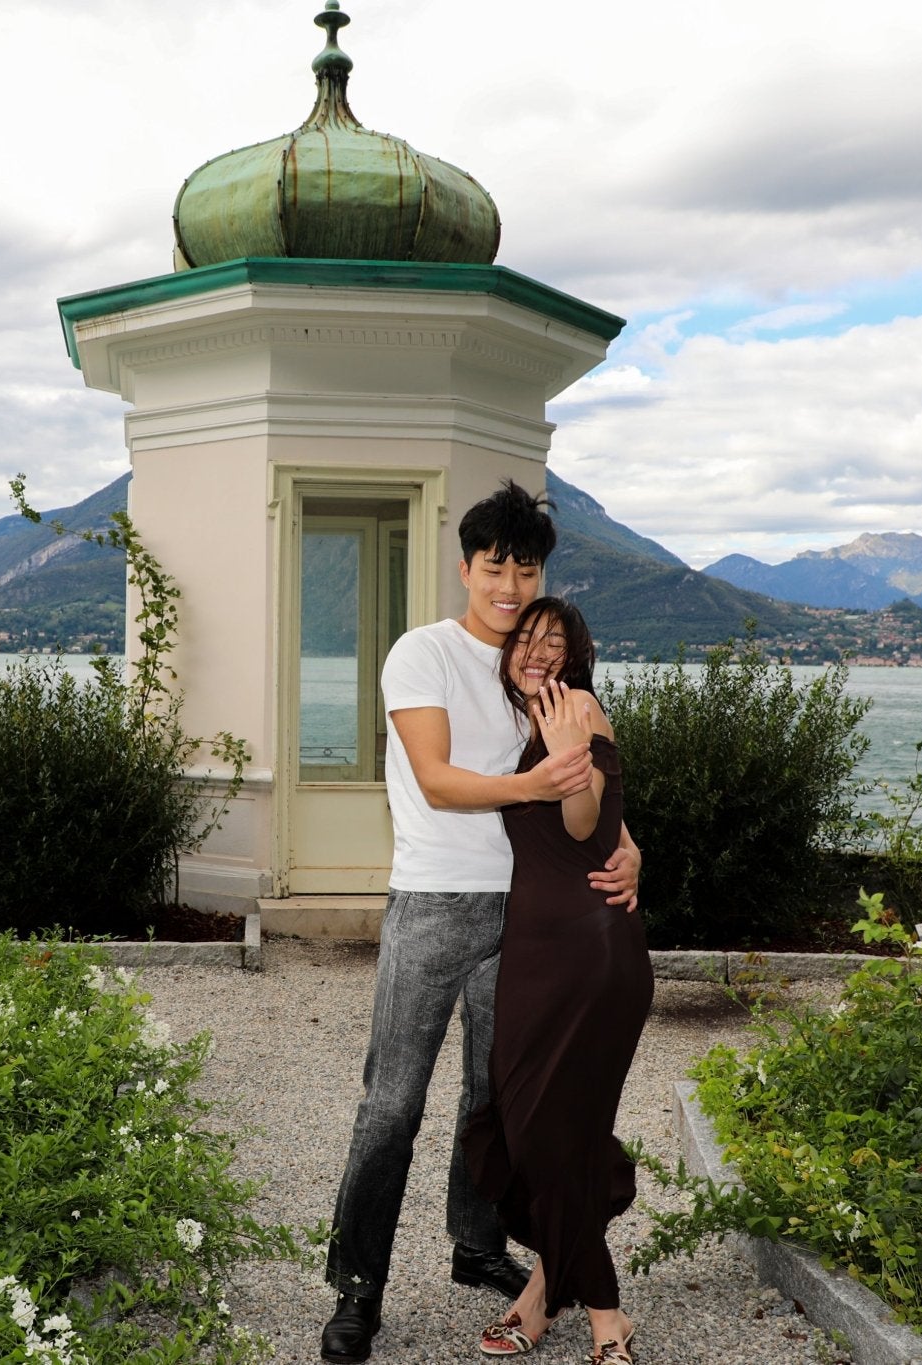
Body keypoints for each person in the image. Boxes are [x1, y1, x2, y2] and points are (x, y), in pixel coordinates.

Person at [321, 484, 643, 1365]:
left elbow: (591, 772)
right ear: (465, 567)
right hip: (434, 899)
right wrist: (534, 788)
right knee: (393, 1104)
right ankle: (358, 1288)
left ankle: (476, 1244)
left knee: (497, 1100)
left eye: (525, 565)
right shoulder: (422, 653)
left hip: (535, 914)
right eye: (493, 564)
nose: (508, 582)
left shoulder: (542, 671)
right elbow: (436, 778)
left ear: (541, 572)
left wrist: (632, 847)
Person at [459, 597, 649, 1363]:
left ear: (574, 655)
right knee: (541, 1127)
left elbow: (579, 822)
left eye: (554, 641)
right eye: (526, 637)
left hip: (588, 958)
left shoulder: (572, 711)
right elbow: (612, 828)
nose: (536, 649)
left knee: (550, 1131)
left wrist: (566, 765)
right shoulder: (534, 716)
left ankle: (605, 1321)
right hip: (541, 951)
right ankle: (541, 1295)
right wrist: (633, 843)